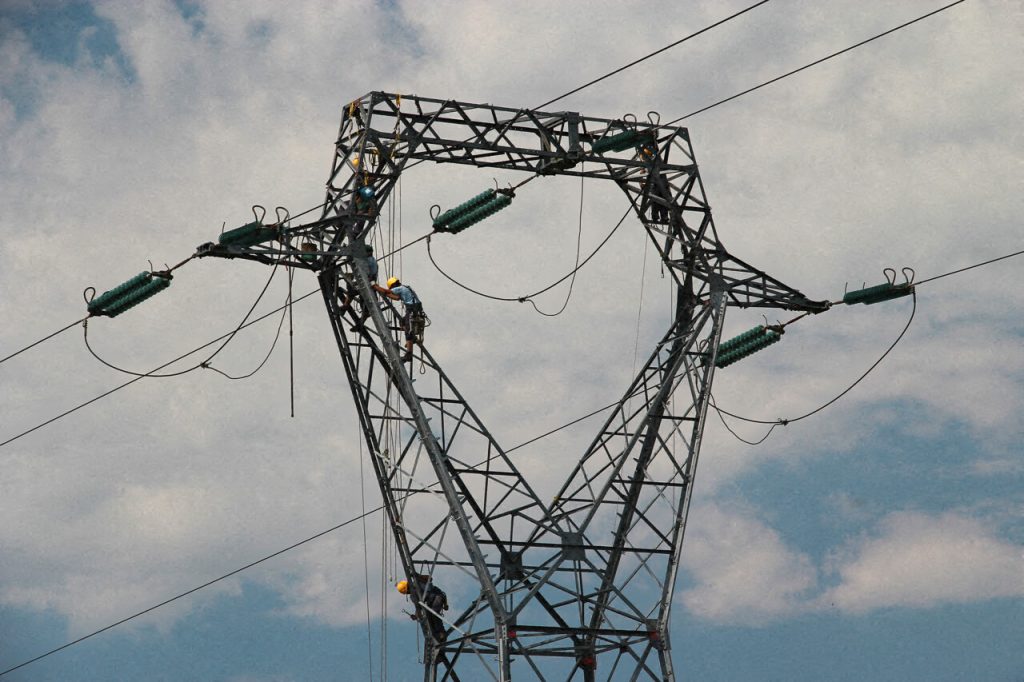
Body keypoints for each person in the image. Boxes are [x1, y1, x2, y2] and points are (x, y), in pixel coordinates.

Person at [373, 276, 425, 362]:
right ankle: (411, 339)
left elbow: (386, 291)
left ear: (393, 285)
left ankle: (409, 354)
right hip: (415, 310)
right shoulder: (406, 287)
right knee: (402, 322)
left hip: (412, 310)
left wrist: (375, 287)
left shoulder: (399, 288)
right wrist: (382, 291)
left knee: (408, 332)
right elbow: (396, 298)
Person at [396, 574, 448, 640]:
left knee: (434, 613)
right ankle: (436, 636)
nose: (409, 592)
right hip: (430, 602)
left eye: (408, 590)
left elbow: (430, 578)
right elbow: (418, 608)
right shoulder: (413, 596)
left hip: (437, 596)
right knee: (428, 617)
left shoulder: (417, 582)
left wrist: (417, 575)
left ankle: (441, 633)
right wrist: (416, 616)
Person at [344, 245, 378, 330]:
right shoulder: (371, 260)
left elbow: (366, 273)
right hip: (367, 283)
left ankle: (345, 305)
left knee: (352, 291)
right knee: (365, 307)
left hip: (367, 284)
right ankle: (360, 323)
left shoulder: (369, 261)